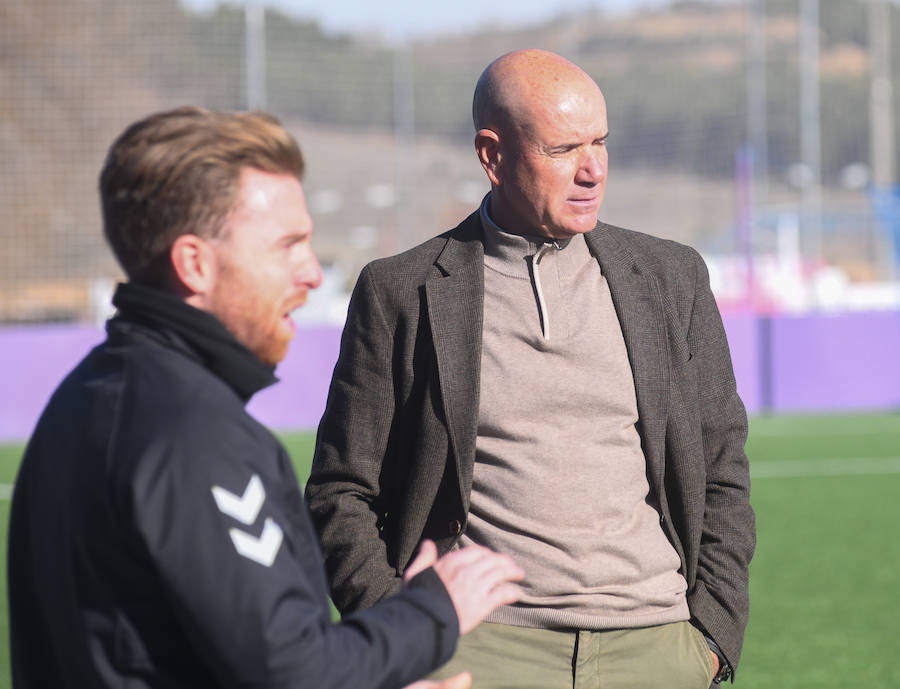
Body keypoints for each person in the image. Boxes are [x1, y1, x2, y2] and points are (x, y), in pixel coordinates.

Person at [7, 106, 524, 689]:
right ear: (195, 264)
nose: (310, 272)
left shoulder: (91, 396)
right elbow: (290, 670)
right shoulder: (195, 435)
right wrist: (431, 615)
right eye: (287, 245)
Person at [306, 49, 755, 689]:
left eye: (601, 142)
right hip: (479, 653)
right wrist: (400, 639)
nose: (592, 169)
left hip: (657, 646)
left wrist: (710, 636)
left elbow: (722, 469)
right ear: (492, 156)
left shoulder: (670, 278)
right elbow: (341, 491)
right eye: (563, 148)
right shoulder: (399, 290)